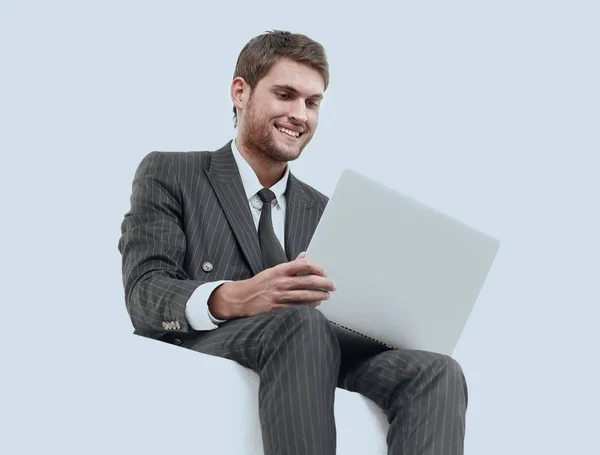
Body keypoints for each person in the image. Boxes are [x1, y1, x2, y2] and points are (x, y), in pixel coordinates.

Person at [118, 29, 468, 455]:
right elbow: (144, 292)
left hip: (316, 355)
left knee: (437, 370)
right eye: (285, 94)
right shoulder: (172, 173)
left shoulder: (326, 210)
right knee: (300, 323)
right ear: (240, 92)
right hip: (213, 341)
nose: (300, 114)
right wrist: (237, 297)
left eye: (312, 102)